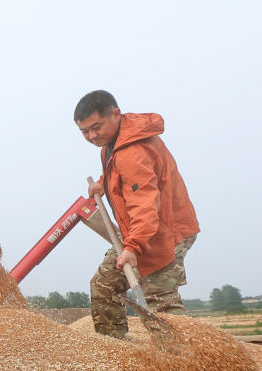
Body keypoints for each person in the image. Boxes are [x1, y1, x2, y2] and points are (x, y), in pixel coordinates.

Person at [74, 90, 200, 339]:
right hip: (140, 231)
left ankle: (187, 357)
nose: (92, 136)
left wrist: (132, 247)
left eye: (96, 127)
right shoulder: (115, 142)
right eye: (85, 131)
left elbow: (144, 203)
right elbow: (121, 174)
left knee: (160, 304)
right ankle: (117, 349)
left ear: (116, 114)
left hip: (163, 232)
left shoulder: (133, 152)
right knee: (104, 285)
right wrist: (102, 183)